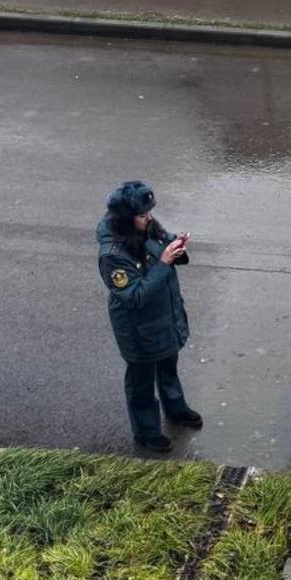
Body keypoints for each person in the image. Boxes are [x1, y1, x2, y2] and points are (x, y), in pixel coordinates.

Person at [96, 181, 201, 452]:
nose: (150, 218)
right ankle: (146, 431)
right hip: (138, 328)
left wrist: (176, 245)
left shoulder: (146, 227)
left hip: (164, 318)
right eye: (143, 215)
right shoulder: (113, 255)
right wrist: (164, 261)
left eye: (149, 212)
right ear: (126, 220)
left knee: (168, 367)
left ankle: (175, 409)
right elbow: (134, 296)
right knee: (141, 383)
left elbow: (162, 242)